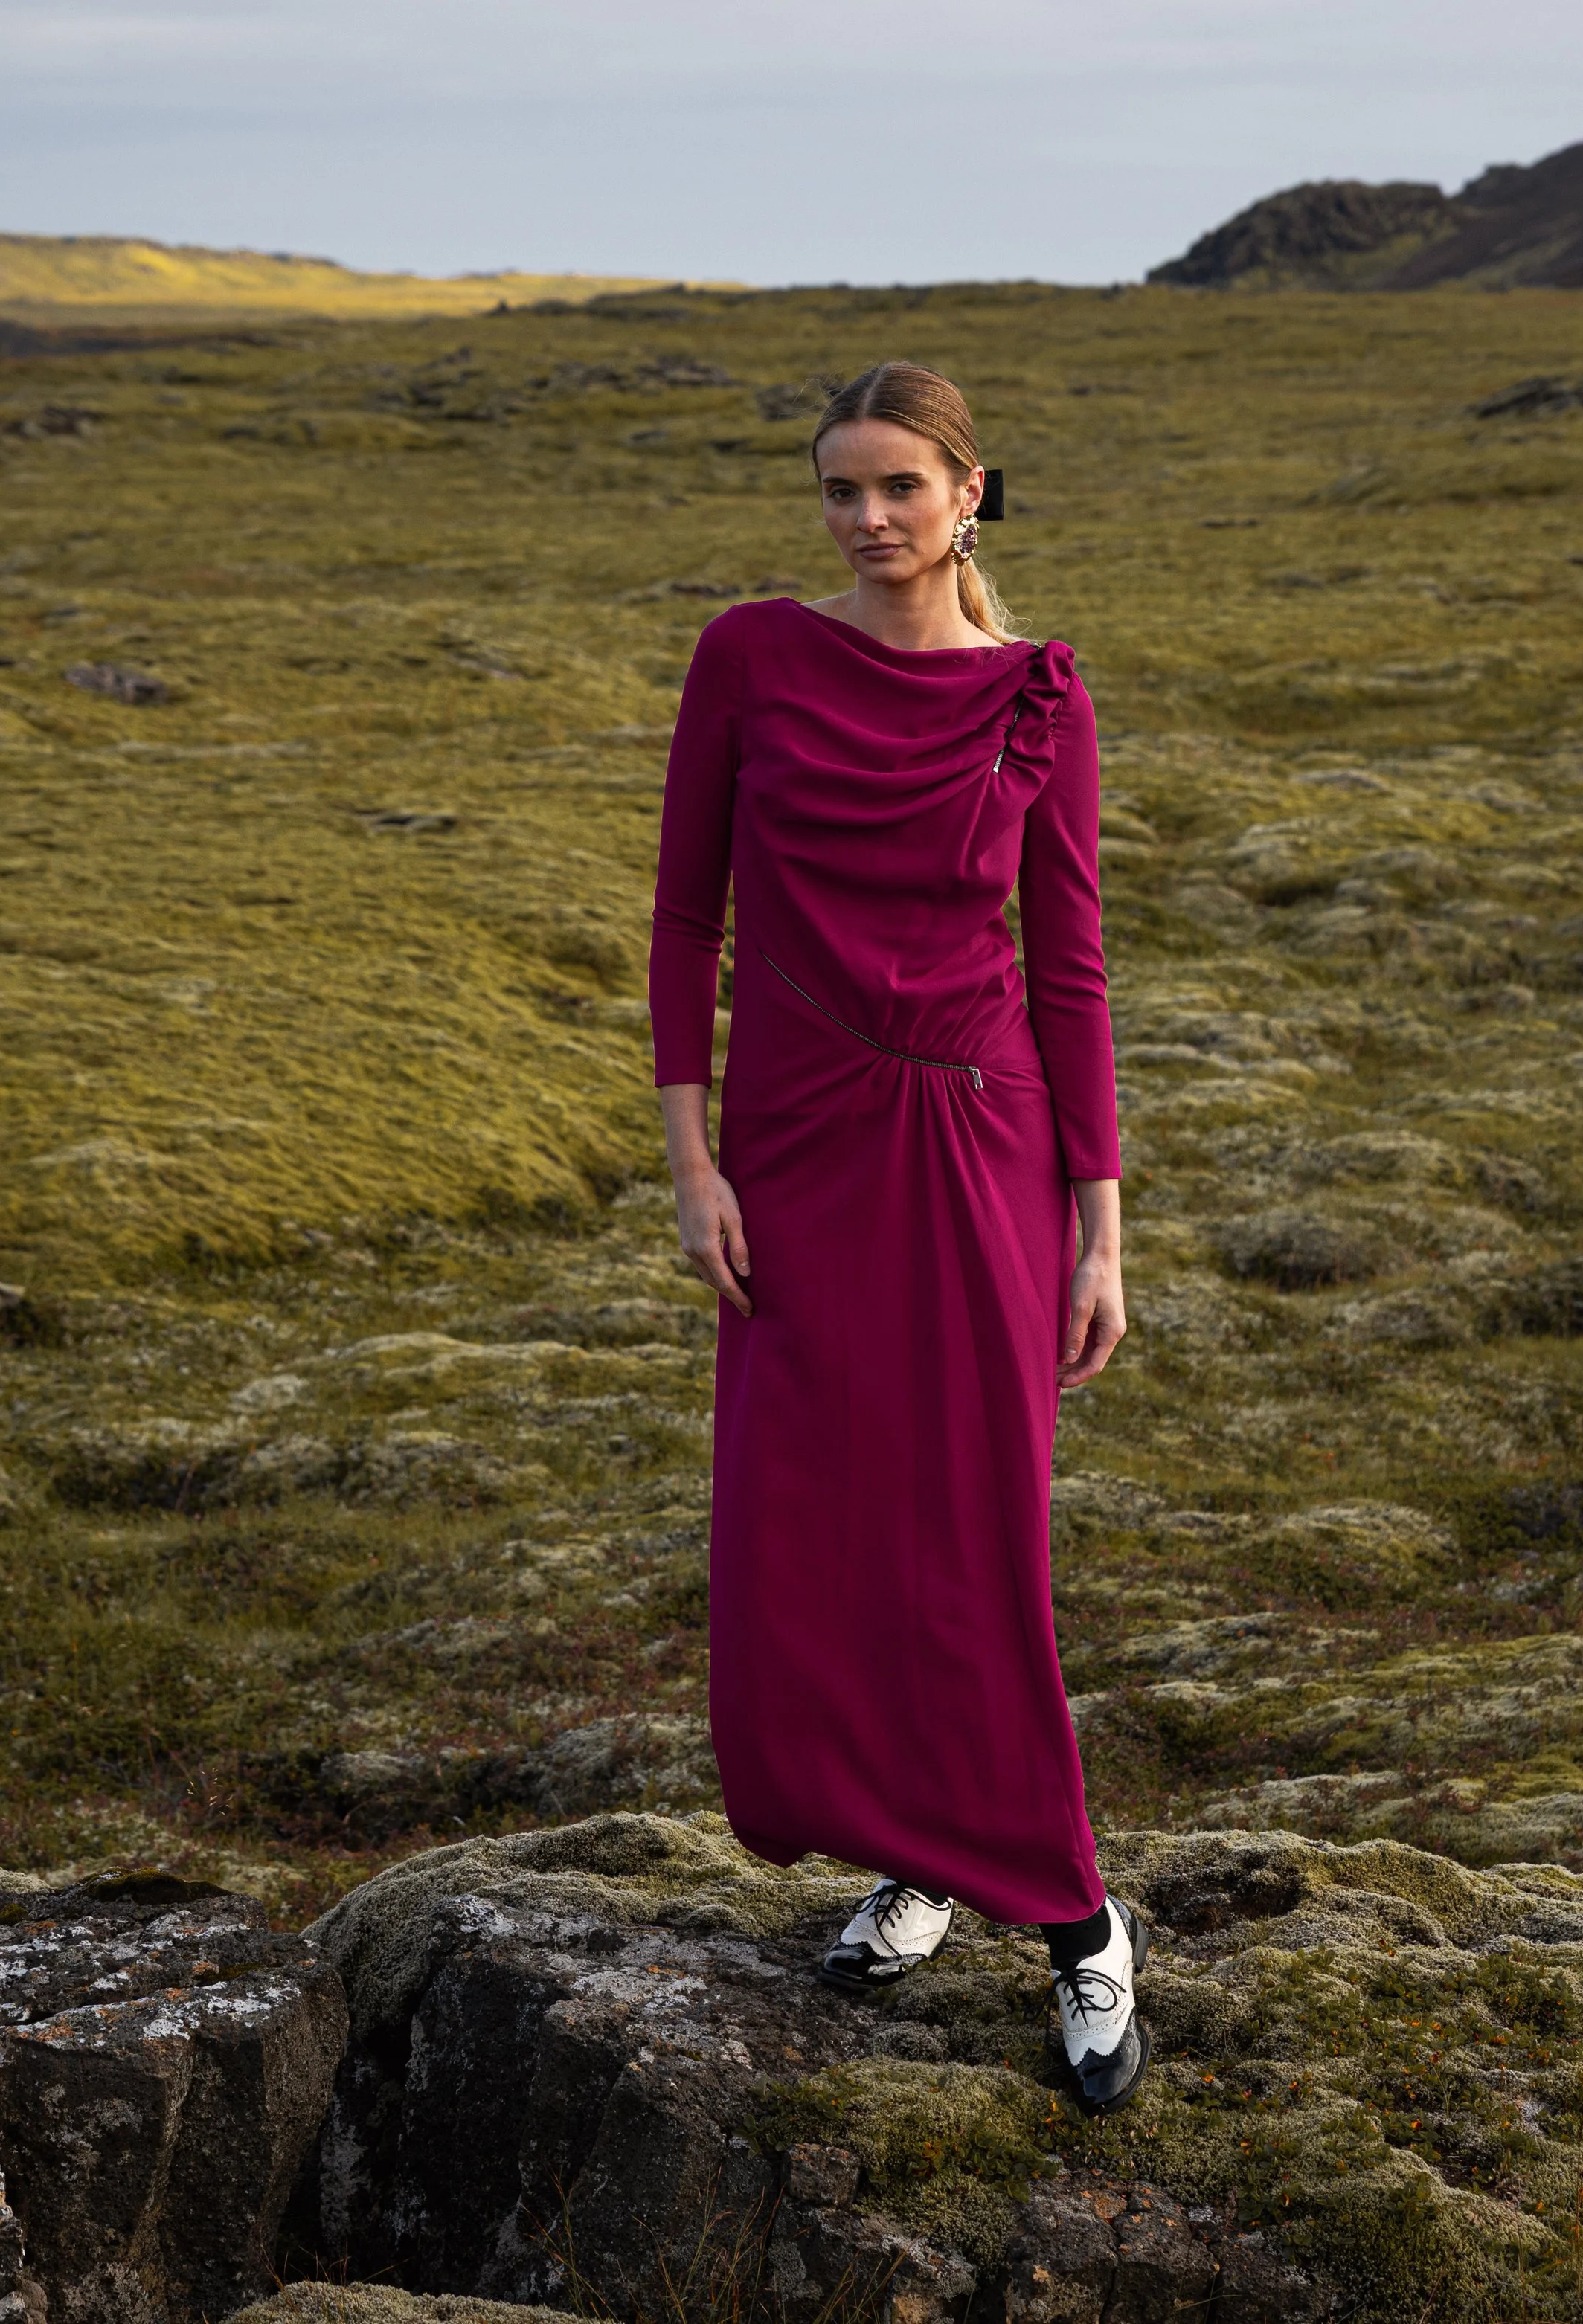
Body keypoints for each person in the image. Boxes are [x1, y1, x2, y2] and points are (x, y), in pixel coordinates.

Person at [647, 361, 1146, 2116]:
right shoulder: (748, 657)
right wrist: (691, 1159)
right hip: (793, 1151)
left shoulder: (1034, 697)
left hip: (979, 1143)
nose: (865, 519)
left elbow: (1068, 968)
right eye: (838, 489)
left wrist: (1098, 1228)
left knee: (971, 1531)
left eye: (898, 487)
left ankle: (1076, 1915)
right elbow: (684, 916)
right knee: (811, 1517)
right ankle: (916, 1852)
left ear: (967, 493)